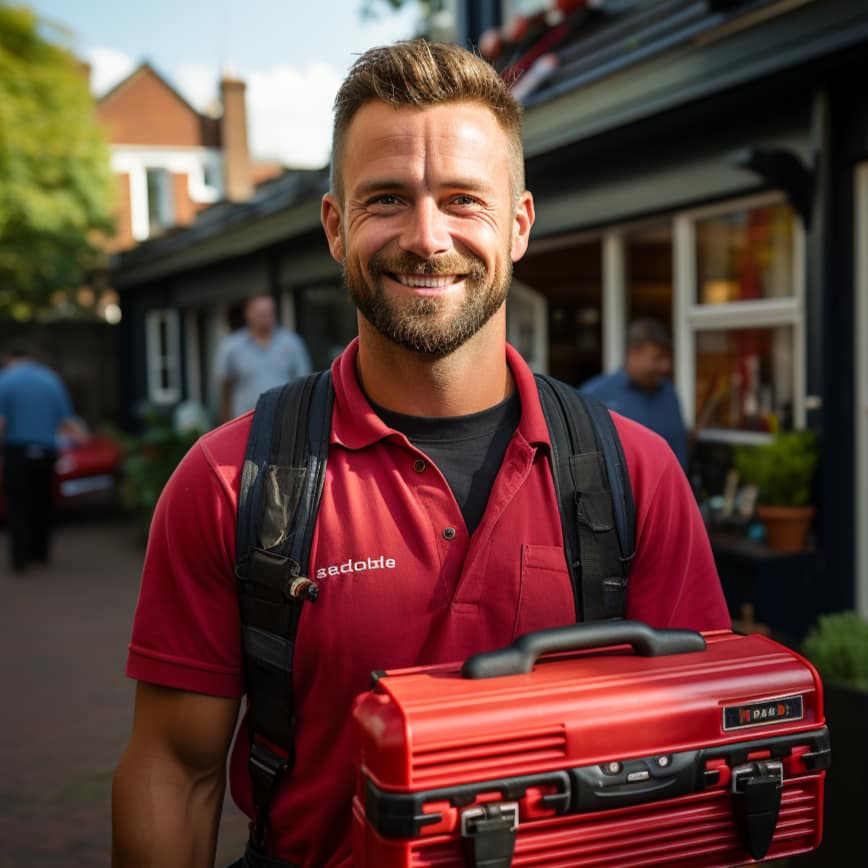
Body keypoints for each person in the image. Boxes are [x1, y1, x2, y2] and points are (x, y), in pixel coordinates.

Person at [111, 40, 730, 868]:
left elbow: (701, 756)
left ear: (517, 226)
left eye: (463, 200)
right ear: (336, 226)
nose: (427, 236)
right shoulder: (232, 483)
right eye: (388, 199)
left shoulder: (636, 473)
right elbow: (175, 772)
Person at [0, 343, 85, 573]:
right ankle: (41, 553)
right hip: (47, 452)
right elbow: (67, 423)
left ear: (8, 359)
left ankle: (20, 559)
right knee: (43, 503)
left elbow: (2, 422)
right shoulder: (51, 380)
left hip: (18, 451)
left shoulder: (6, 380)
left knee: (18, 505)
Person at [579, 318, 690, 469]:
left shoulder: (669, 394)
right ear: (633, 355)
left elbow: (678, 450)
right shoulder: (594, 395)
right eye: (657, 358)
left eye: (667, 358)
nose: (666, 366)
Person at [214, 293, 312, 422]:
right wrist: (225, 423)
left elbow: (304, 383)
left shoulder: (292, 342)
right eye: (261, 314)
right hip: (245, 421)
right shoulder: (231, 347)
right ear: (247, 314)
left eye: (269, 313)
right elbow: (224, 388)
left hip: (285, 419)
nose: (266, 318)